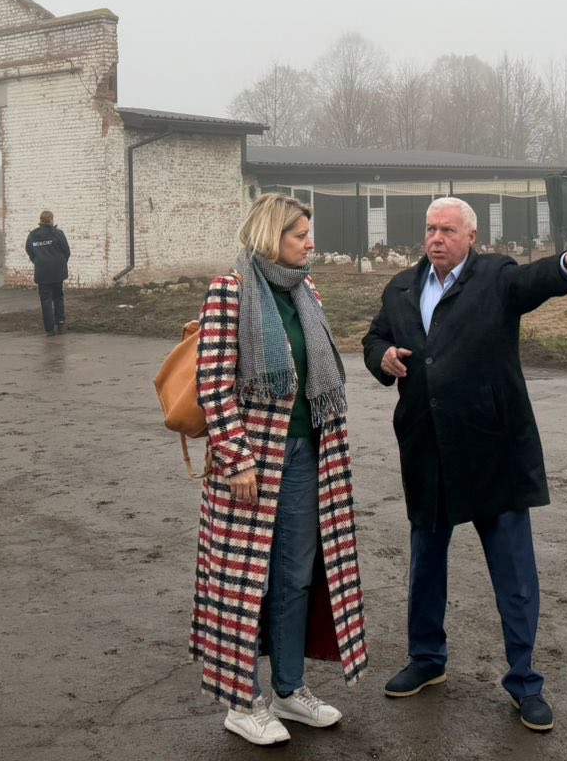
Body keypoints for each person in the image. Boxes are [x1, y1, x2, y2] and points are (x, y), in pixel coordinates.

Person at [363, 197, 567, 732]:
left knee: (513, 573)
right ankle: (426, 660)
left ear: (471, 237)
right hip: (428, 447)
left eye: (448, 230)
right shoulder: (401, 288)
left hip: (492, 447)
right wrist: (382, 356)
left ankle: (524, 682)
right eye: (430, 228)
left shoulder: (495, 276)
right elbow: (375, 337)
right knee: (426, 563)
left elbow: (534, 282)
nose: (436, 238)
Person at [189, 194, 367, 747]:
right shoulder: (231, 291)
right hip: (251, 462)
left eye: (309, 233)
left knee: (296, 575)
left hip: (309, 454)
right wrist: (236, 458)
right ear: (271, 237)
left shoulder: (306, 292)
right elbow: (214, 384)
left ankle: (290, 689)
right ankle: (242, 701)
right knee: (244, 581)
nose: (311, 243)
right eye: (299, 235)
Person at [24, 210, 71, 336]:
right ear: (51, 219)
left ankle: (49, 330)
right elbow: (66, 251)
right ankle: (60, 324)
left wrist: (38, 262)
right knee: (58, 297)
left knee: (46, 301)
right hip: (57, 271)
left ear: (40, 220)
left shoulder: (33, 235)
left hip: (42, 272)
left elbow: (29, 251)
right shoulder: (58, 233)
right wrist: (61, 262)